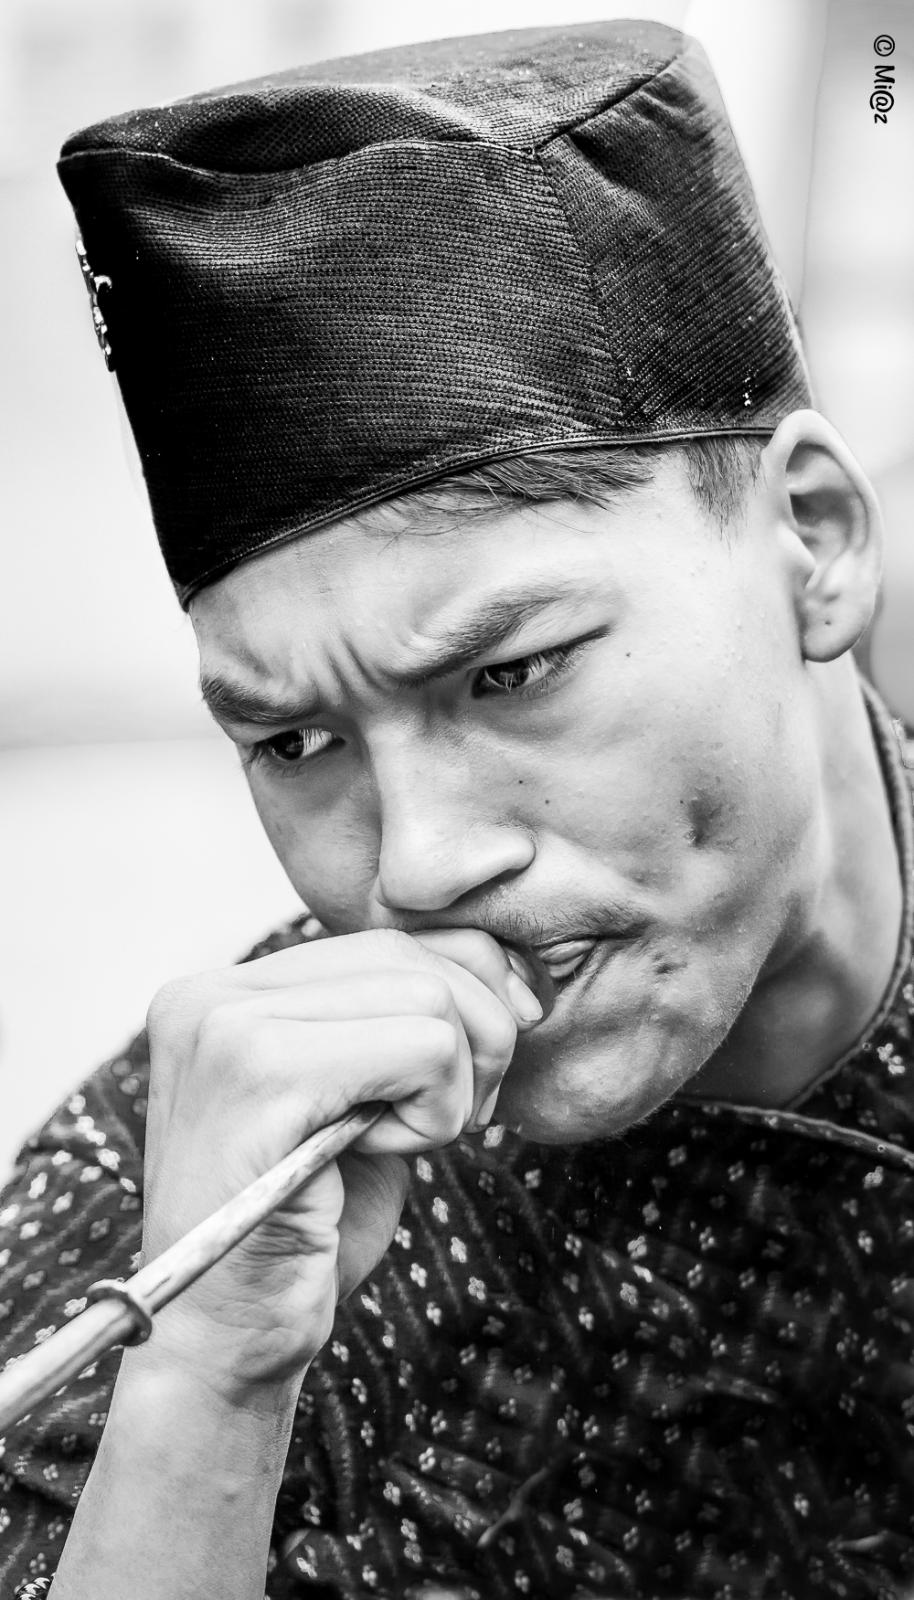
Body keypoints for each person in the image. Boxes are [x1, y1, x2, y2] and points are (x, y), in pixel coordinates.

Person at [2, 18, 913, 1599]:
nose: (416, 863)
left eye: (510, 675)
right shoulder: (182, 1225)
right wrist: (208, 1387)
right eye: (295, 741)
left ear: (815, 542)